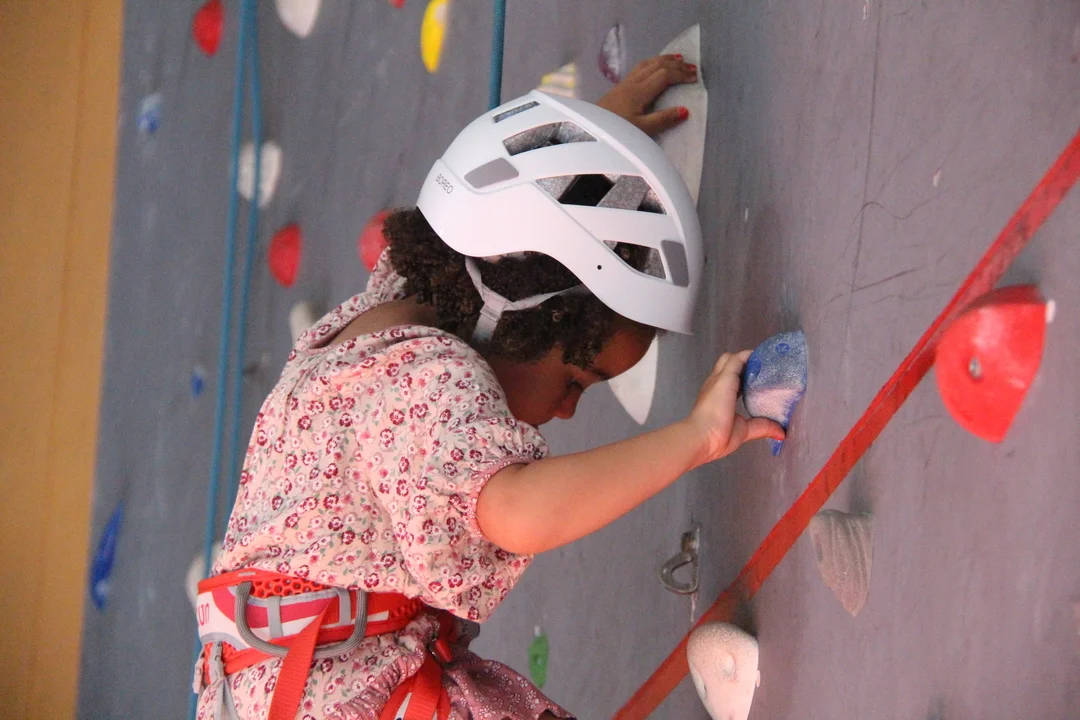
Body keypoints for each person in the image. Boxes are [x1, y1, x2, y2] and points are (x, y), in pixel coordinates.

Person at [193, 54, 784, 720]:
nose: (567, 410)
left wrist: (585, 167)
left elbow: (499, 221)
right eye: (577, 379)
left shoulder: (404, 303)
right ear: (519, 316)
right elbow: (518, 510)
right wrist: (695, 438)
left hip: (282, 678)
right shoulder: (430, 384)